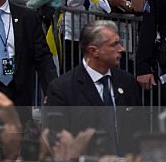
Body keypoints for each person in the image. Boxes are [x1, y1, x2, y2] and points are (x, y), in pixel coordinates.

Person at [45, 21, 142, 153]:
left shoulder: (127, 82)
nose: (121, 49)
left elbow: (138, 130)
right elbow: (57, 142)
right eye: (114, 45)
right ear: (94, 51)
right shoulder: (62, 89)